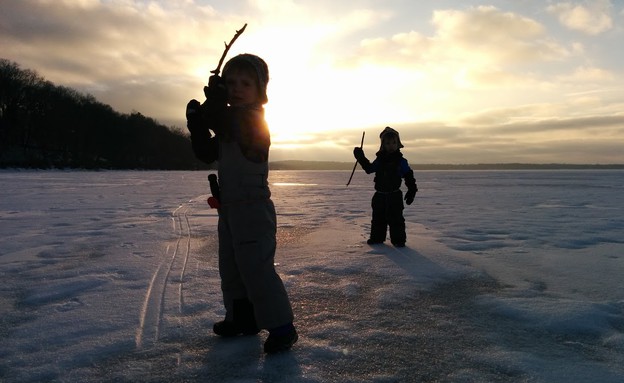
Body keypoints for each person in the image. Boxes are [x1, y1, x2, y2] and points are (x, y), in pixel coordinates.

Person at [185, 53, 297, 353]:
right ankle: (242, 319)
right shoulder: (228, 120)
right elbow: (207, 152)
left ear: (260, 91)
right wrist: (196, 125)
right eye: (230, 82)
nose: (236, 88)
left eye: (245, 83)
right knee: (231, 267)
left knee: (256, 268)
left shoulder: (252, 120)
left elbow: (228, 123)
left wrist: (212, 105)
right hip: (230, 208)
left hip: (252, 208)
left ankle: (282, 327)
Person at [353, 127, 418, 247]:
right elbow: (369, 169)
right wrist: (361, 157)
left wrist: (412, 190)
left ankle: (398, 241)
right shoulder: (379, 160)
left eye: (394, 142)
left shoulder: (401, 161)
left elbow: (408, 175)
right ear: (383, 145)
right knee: (378, 218)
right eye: (388, 143)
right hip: (380, 195)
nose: (391, 146)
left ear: (398, 144)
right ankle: (377, 238)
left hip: (394, 195)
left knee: (396, 219)